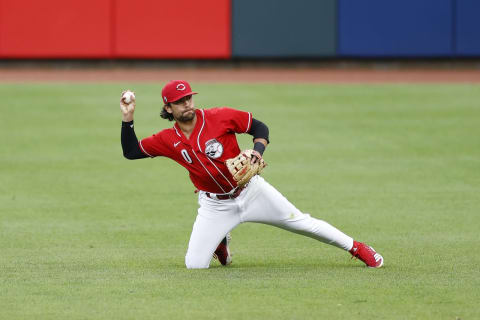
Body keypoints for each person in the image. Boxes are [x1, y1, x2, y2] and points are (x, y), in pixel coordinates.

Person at [120, 80, 384, 269]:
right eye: (180, 101)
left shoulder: (219, 116)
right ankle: (220, 243)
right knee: (194, 266)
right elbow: (131, 151)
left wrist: (258, 151)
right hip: (214, 205)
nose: (187, 103)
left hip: (251, 191)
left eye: (189, 97)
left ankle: (358, 248)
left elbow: (259, 126)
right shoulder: (167, 139)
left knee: (302, 222)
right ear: (168, 108)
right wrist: (128, 118)